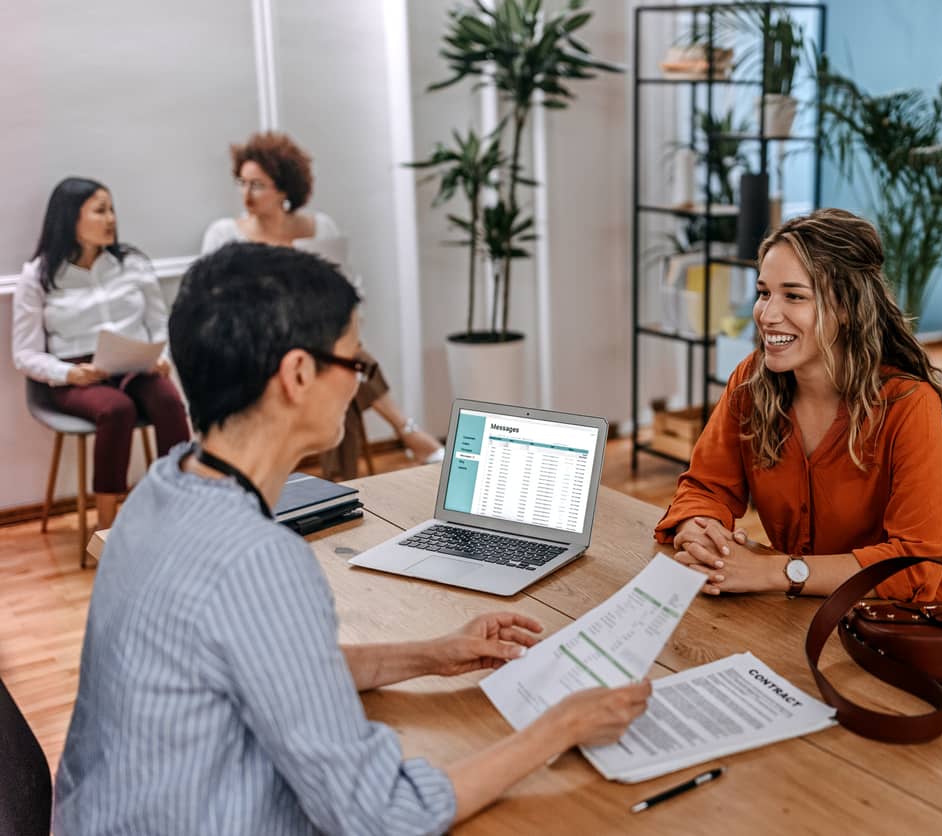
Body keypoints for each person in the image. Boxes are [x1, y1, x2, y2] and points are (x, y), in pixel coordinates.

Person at [53, 242, 650, 835]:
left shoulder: (161, 488)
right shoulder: (259, 561)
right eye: (354, 362)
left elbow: (279, 670)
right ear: (298, 374)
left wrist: (430, 655)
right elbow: (384, 815)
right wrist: (559, 728)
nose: (359, 379)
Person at [654, 209, 942, 602]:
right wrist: (700, 530)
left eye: (794, 296)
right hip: (797, 614)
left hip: (899, 628)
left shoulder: (908, 405)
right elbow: (705, 486)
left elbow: (914, 566)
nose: (767, 315)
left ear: (845, 307)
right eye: (764, 292)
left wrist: (775, 570)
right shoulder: (751, 383)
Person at [201, 131, 442, 474]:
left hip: (315, 340)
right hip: (257, 348)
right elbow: (214, 308)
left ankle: (348, 477)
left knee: (340, 360)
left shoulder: (319, 227)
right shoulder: (225, 235)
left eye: (257, 185)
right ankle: (401, 438)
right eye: (241, 182)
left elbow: (350, 292)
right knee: (346, 365)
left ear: (284, 189)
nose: (246, 194)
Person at [11, 177, 190, 530]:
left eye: (111, 210)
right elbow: (24, 353)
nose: (110, 219)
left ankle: (180, 506)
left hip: (136, 363)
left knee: (169, 402)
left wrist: (162, 357)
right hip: (77, 374)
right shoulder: (38, 277)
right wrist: (67, 373)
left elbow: (160, 324)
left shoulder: (133, 264)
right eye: (99, 210)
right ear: (69, 219)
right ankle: (107, 528)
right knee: (116, 410)